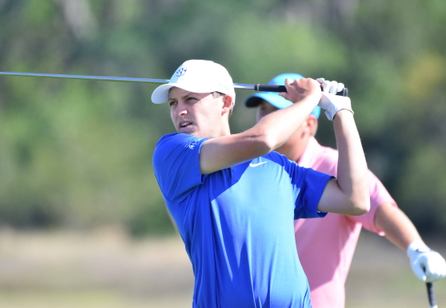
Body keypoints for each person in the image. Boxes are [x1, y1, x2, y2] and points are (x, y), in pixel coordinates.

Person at [150, 59, 370, 308]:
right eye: (173, 103)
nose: (179, 111)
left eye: (190, 99)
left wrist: (341, 112)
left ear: (225, 102)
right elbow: (263, 138)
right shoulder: (172, 153)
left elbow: (356, 200)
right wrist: (309, 100)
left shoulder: (278, 166)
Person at [245, 73, 446, 308]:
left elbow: (379, 208)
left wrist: (416, 248)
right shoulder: (250, 167)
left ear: (308, 125)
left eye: (278, 110)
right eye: (263, 109)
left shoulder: (334, 165)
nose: (267, 118)